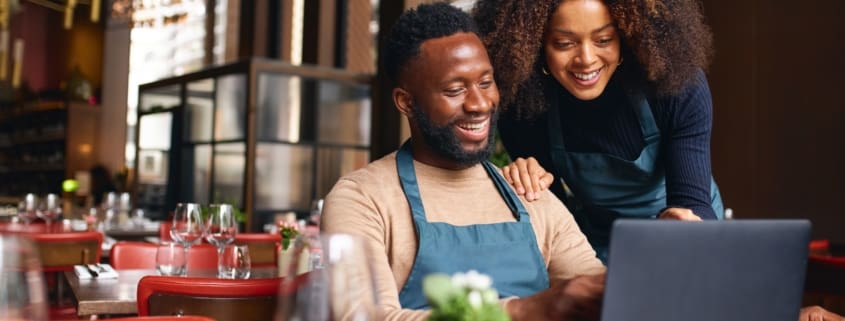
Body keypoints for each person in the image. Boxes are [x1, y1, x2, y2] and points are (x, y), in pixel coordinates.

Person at [321, 3, 605, 321]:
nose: (480, 104)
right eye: (455, 90)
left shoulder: (528, 192)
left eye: (486, 83)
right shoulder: (362, 199)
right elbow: (361, 316)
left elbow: (599, 296)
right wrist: (521, 311)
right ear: (406, 102)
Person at [472, 0, 724, 262]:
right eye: (564, 43)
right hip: (599, 242)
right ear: (535, 44)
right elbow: (555, 218)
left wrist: (685, 221)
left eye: (603, 39)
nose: (587, 59)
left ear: (626, 36)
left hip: (683, 232)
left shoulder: (675, 85)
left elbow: (694, 203)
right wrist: (528, 184)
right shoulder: (524, 107)